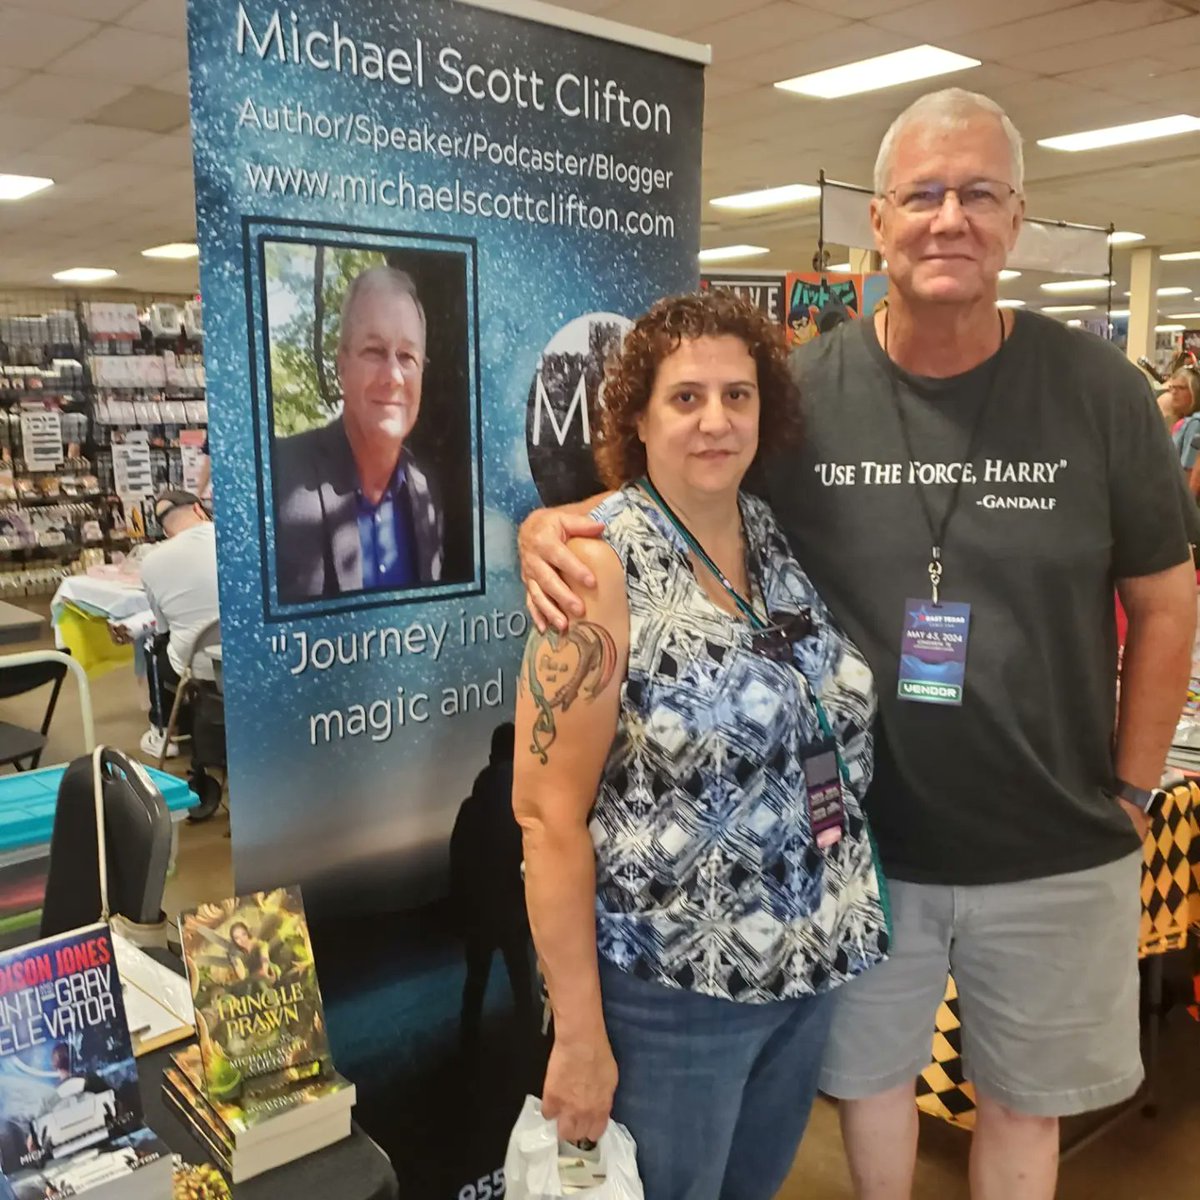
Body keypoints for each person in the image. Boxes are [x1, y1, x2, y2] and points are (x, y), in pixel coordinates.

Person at [518, 89, 1197, 1200]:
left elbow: (1168, 602)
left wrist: (1130, 789)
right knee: (871, 1091)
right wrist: (546, 529)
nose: (950, 218)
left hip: (1058, 841)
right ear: (874, 222)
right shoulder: (810, 394)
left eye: (979, 193)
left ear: (1017, 217)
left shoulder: (1099, 391)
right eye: (922, 195)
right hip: (864, 858)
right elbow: (670, 496)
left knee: (1024, 1108)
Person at [512, 291, 889, 1198]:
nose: (716, 420)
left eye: (738, 395)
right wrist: (579, 1034)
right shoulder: (596, 569)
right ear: (637, 416)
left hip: (808, 967)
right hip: (675, 990)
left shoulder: (766, 534)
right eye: (686, 398)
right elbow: (545, 817)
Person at [272, 266, 443, 602]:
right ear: (342, 367)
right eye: (374, 351)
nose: (393, 375)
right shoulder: (276, 476)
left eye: (407, 356)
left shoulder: (427, 492)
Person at [449, 722, 536, 1053]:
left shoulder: (471, 807)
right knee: (522, 985)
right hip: (517, 914)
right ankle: (529, 1049)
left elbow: (459, 865)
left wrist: (460, 915)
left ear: (490, 756)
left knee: (475, 985)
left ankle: (467, 1049)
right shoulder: (528, 807)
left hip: (480, 917)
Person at [130, 491, 219, 761]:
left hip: (195, 663)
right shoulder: (237, 538)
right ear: (198, 509)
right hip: (253, 654)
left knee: (153, 648)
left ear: (165, 530)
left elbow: (162, 627)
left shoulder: (151, 561)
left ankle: (163, 732)